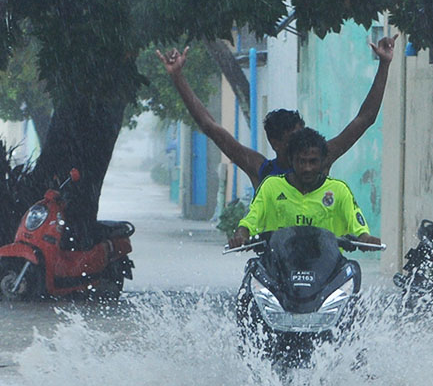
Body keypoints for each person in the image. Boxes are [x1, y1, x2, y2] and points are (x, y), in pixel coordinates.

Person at [156, 34, 398, 189]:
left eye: (311, 160)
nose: (307, 164)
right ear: (275, 144)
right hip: (275, 262)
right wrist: (178, 78)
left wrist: (384, 64)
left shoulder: (321, 157)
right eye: (295, 141)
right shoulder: (263, 170)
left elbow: (364, 119)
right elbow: (211, 127)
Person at [229, 127, 381, 249]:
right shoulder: (271, 186)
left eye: (313, 161)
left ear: (323, 161)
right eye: (301, 161)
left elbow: (359, 228)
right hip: (279, 268)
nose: (307, 168)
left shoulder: (339, 190)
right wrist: (241, 235)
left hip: (326, 271)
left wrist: (366, 239)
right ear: (291, 160)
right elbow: (250, 219)